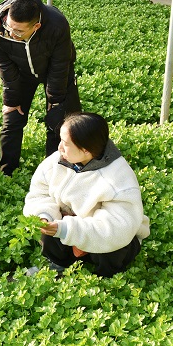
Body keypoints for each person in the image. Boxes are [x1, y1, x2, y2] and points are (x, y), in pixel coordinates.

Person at [24, 112, 149, 277]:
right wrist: (45, 215)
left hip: (110, 237)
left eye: (66, 143)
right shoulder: (56, 161)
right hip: (71, 229)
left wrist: (67, 229)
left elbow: (115, 228)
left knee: (113, 250)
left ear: (85, 150)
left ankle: (108, 277)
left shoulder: (117, 178)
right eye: (60, 140)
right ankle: (58, 264)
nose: (59, 147)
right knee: (47, 231)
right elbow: (40, 193)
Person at [0, 0, 82, 175]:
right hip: (20, 71)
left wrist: (55, 100)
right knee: (12, 118)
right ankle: (7, 171)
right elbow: (4, 64)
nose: (11, 33)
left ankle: (55, 169)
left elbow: (60, 64)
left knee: (60, 120)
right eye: (10, 26)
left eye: (19, 31)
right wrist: (12, 100)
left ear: (36, 27)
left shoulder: (57, 24)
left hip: (53, 69)